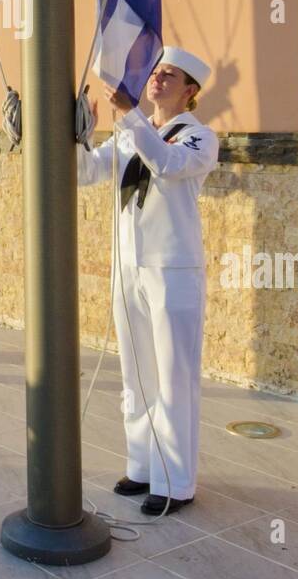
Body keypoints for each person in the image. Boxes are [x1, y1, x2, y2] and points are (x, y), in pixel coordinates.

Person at [78, 46, 219, 515]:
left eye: (169, 75)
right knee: (135, 376)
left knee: (173, 379)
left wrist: (129, 116)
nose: (157, 79)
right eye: (155, 71)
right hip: (129, 270)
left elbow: (166, 164)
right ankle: (141, 466)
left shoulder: (198, 138)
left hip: (172, 272)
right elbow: (85, 173)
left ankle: (175, 482)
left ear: (190, 91)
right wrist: (77, 135)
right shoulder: (128, 133)